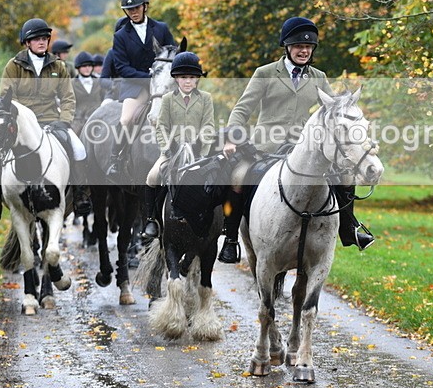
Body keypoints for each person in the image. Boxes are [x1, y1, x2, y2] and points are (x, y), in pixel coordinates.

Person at [217, 16, 374, 263]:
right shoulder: (265, 73)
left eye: (309, 47)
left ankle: (349, 228)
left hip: (305, 147)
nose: (304, 51)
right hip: (267, 145)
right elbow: (242, 109)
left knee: (344, 175)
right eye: (299, 47)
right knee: (238, 176)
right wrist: (231, 138)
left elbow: (332, 110)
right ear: (287, 47)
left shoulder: (319, 76)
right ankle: (231, 238)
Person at [0, 18, 92, 219]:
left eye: (44, 38)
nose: (41, 42)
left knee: (78, 148)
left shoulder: (58, 66)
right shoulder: (13, 66)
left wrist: (64, 121)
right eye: (36, 39)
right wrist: (17, 121)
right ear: (27, 42)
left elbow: (68, 97)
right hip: (22, 124)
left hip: (51, 121)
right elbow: (7, 98)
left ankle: (80, 195)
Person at [143, 51, 215, 239]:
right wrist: (167, 148)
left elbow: (208, 125)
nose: (188, 82)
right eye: (183, 77)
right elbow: (161, 127)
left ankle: (216, 222)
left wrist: (202, 148)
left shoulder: (206, 98)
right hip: (172, 150)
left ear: (198, 79)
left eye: (192, 77)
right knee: (152, 178)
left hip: (198, 150)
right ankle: (152, 220)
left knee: (216, 178)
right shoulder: (167, 99)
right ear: (176, 79)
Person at [107, 0, 176, 178]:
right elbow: (121, 67)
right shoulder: (120, 36)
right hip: (136, 85)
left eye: (137, 8)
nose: (134, 12)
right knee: (126, 119)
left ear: (145, 7)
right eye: (130, 10)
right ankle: (116, 159)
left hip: (164, 83)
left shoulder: (161, 28)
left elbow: (173, 53)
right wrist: (149, 79)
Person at [71, 50, 104, 135]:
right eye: (84, 66)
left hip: (98, 120)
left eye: (89, 65)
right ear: (78, 67)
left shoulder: (99, 82)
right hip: (78, 123)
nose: (87, 68)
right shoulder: (71, 84)